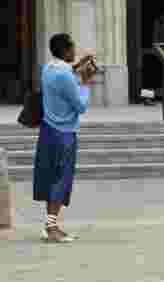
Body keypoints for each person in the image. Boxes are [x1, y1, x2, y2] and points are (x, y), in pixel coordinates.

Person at [33, 33, 95, 243]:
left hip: (48, 130)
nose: (75, 52)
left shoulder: (48, 68)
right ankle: (51, 228)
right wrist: (85, 83)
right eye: (73, 48)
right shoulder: (65, 75)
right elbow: (81, 106)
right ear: (66, 50)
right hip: (64, 133)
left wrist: (78, 66)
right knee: (61, 179)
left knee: (50, 176)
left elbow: (64, 75)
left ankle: (50, 224)